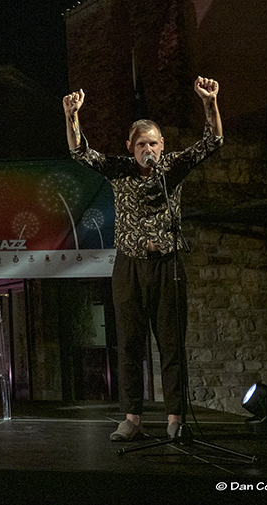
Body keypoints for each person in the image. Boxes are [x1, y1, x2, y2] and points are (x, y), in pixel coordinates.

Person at [63, 77, 223, 442]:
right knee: (130, 344)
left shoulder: (173, 168)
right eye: (140, 144)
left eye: (152, 143)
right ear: (130, 147)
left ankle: (175, 417)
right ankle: (132, 418)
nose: (147, 149)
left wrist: (210, 103)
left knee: (171, 343)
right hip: (129, 265)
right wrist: (73, 117)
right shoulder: (119, 170)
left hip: (167, 264)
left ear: (161, 145)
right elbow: (80, 153)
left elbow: (211, 142)